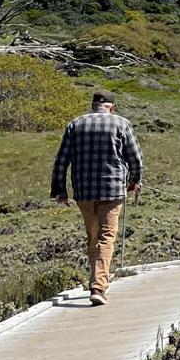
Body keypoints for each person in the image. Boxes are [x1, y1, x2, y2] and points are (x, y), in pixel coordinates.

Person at [50, 88, 143, 306]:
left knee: (93, 236)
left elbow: (61, 160)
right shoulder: (122, 124)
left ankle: (96, 280)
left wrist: (59, 190)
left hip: (83, 191)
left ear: (93, 105)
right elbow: (135, 158)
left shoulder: (75, 124)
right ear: (113, 107)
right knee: (106, 237)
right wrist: (134, 180)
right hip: (112, 190)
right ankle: (98, 287)